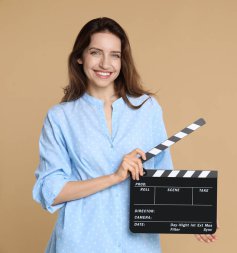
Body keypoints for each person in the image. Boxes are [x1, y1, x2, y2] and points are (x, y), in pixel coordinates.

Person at [32, 17, 217, 253]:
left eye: (115, 55)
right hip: (80, 242)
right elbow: (51, 191)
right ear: (80, 57)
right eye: (96, 52)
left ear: (122, 60)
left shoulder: (148, 108)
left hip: (137, 243)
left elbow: (163, 175)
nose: (105, 64)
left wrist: (196, 215)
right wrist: (114, 177)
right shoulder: (60, 117)